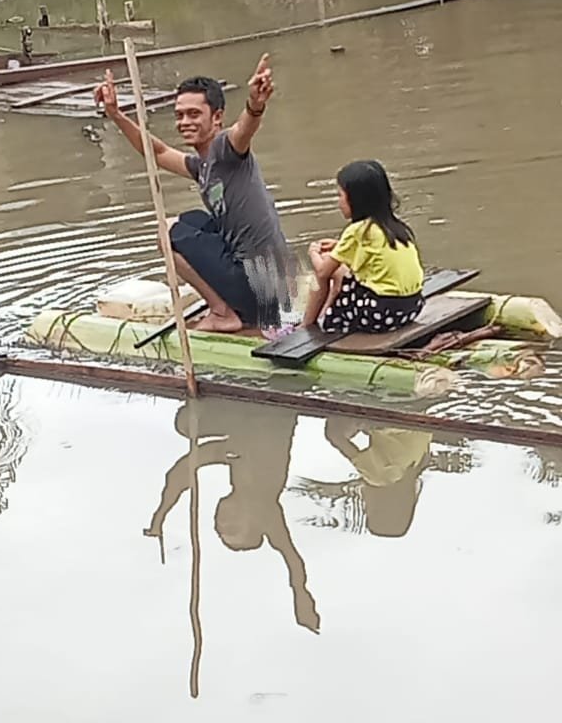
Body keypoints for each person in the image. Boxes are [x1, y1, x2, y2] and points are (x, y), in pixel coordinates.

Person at [94, 55, 291, 332]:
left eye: (194, 114)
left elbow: (244, 129)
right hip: (268, 285)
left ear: (217, 117)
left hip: (262, 288)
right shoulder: (202, 166)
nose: (184, 122)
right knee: (192, 220)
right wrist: (116, 114)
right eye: (180, 115)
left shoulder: (225, 150)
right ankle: (227, 304)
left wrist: (255, 105)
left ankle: (222, 313)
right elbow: (157, 152)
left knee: (167, 232)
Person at [144, 400, 320, 634]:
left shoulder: (239, 472)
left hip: (242, 430)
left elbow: (181, 471)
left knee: (186, 424)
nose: (221, 521)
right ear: (254, 520)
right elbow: (293, 561)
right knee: (190, 426)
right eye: (232, 525)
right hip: (267, 416)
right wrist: (300, 593)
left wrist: (160, 516)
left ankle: (219, 400)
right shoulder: (265, 506)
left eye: (220, 528)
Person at [302, 159, 424, 332]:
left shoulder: (357, 230)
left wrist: (313, 253)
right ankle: (324, 313)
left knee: (328, 267)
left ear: (355, 200)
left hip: (380, 314)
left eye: (340, 196)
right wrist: (339, 246)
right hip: (411, 308)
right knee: (341, 270)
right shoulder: (395, 227)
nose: (338, 202)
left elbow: (323, 271)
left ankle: (307, 325)